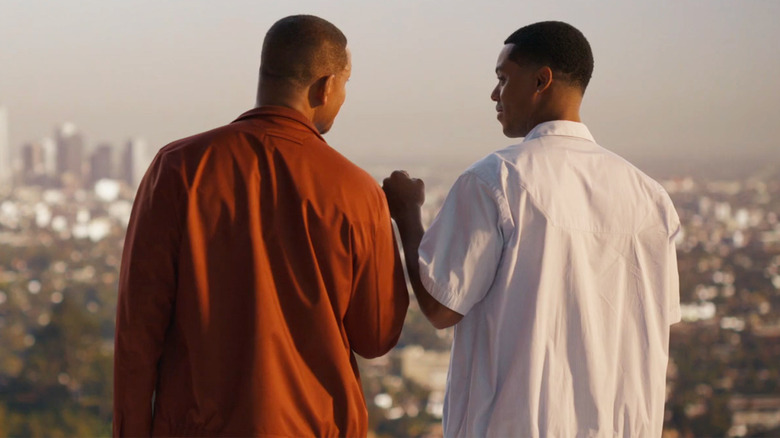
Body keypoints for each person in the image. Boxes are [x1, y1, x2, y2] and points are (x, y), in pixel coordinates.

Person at [114, 15, 408, 437]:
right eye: (345, 84)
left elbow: (137, 331)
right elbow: (376, 334)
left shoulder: (179, 168)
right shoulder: (356, 191)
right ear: (325, 86)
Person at [383, 21, 681, 437]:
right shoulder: (650, 198)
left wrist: (407, 214)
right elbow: (654, 323)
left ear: (541, 81)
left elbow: (440, 306)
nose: (494, 94)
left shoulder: (495, 179)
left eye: (503, 79)